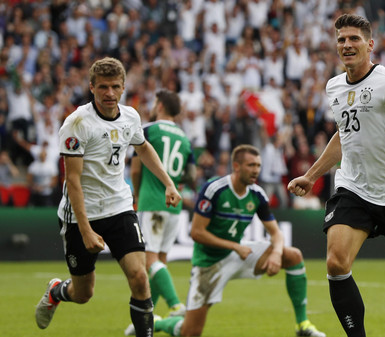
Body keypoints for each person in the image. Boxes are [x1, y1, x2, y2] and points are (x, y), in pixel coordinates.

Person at [287, 14, 385, 337]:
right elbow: (344, 135)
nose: (347, 45)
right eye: (342, 39)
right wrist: (312, 175)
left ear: (370, 45)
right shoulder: (334, 87)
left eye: (354, 39)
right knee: (335, 263)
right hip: (353, 188)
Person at [34, 57, 182, 337]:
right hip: (81, 215)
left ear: (124, 86)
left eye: (115, 87)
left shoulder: (131, 117)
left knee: (140, 277)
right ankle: (56, 291)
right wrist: (87, 230)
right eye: (103, 87)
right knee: (83, 293)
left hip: (119, 207)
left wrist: (168, 184)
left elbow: (144, 147)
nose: (110, 93)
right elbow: (73, 180)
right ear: (91, 87)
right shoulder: (77, 123)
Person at [131, 144, 326, 337]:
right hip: (209, 263)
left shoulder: (257, 194)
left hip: (237, 254)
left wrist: (275, 254)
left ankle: (303, 325)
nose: (256, 170)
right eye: (251, 165)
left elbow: (276, 233)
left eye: (258, 165)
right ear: (237, 166)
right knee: (190, 332)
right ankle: (158, 322)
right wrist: (235, 246)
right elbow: (197, 233)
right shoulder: (214, 189)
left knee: (293, 255)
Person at [129, 90, 196, 319]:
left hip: (151, 201)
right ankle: (148, 316)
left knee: (150, 261)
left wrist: (137, 195)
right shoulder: (185, 139)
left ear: (159, 106)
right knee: (160, 263)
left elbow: (136, 169)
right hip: (173, 206)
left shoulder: (148, 130)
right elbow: (191, 176)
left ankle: (176, 305)